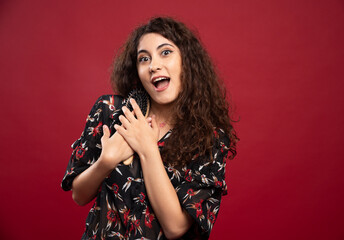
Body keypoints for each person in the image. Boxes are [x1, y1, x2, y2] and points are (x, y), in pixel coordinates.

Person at [61, 16, 238, 240]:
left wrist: (147, 148)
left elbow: (176, 227)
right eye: (144, 58)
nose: (154, 65)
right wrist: (106, 161)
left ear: (188, 61)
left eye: (165, 52)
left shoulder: (209, 139)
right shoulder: (112, 112)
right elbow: (79, 195)